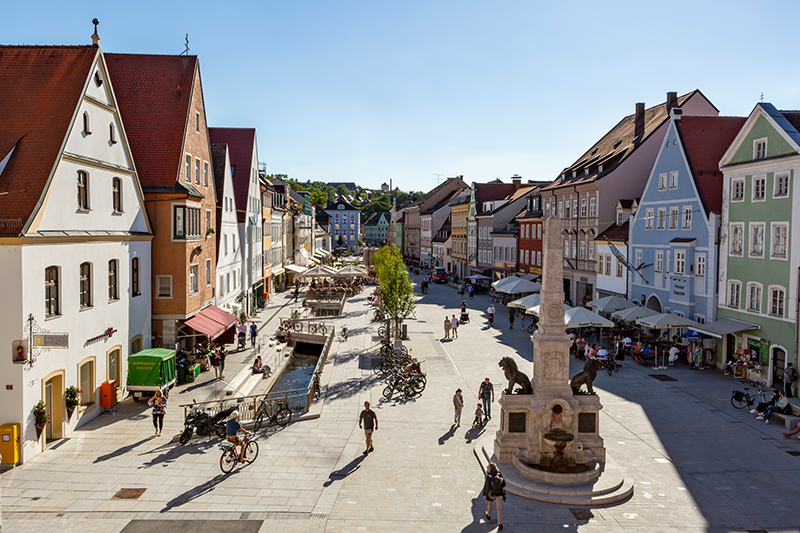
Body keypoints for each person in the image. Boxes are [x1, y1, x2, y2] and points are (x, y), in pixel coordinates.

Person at [482, 462, 506, 530]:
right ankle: (500, 524)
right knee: (499, 509)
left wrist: (487, 497)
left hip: (492, 493)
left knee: (490, 503)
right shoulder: (499, 474)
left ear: (490, 468)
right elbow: (504, 484)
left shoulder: (489, 476)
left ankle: (488, 515)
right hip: (500, 493)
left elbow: (487, 488)